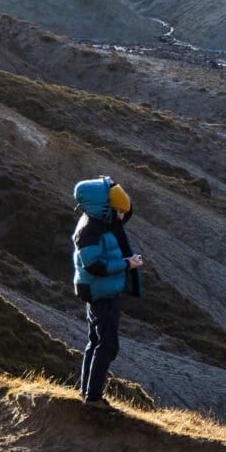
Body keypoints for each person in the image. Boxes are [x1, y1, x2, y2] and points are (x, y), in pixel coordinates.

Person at [72, 176, 143, 410]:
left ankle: (87, 393)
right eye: (118, 211)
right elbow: (96, 266)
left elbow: (124, 213)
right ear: (104, 208)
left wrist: (112, 190)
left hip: (102, 293)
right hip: (102, 296)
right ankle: (93, 398)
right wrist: (127, 264)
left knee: (96, 343)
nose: (122, 216)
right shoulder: (90, 231)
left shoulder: (99, 222)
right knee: (107, 346)